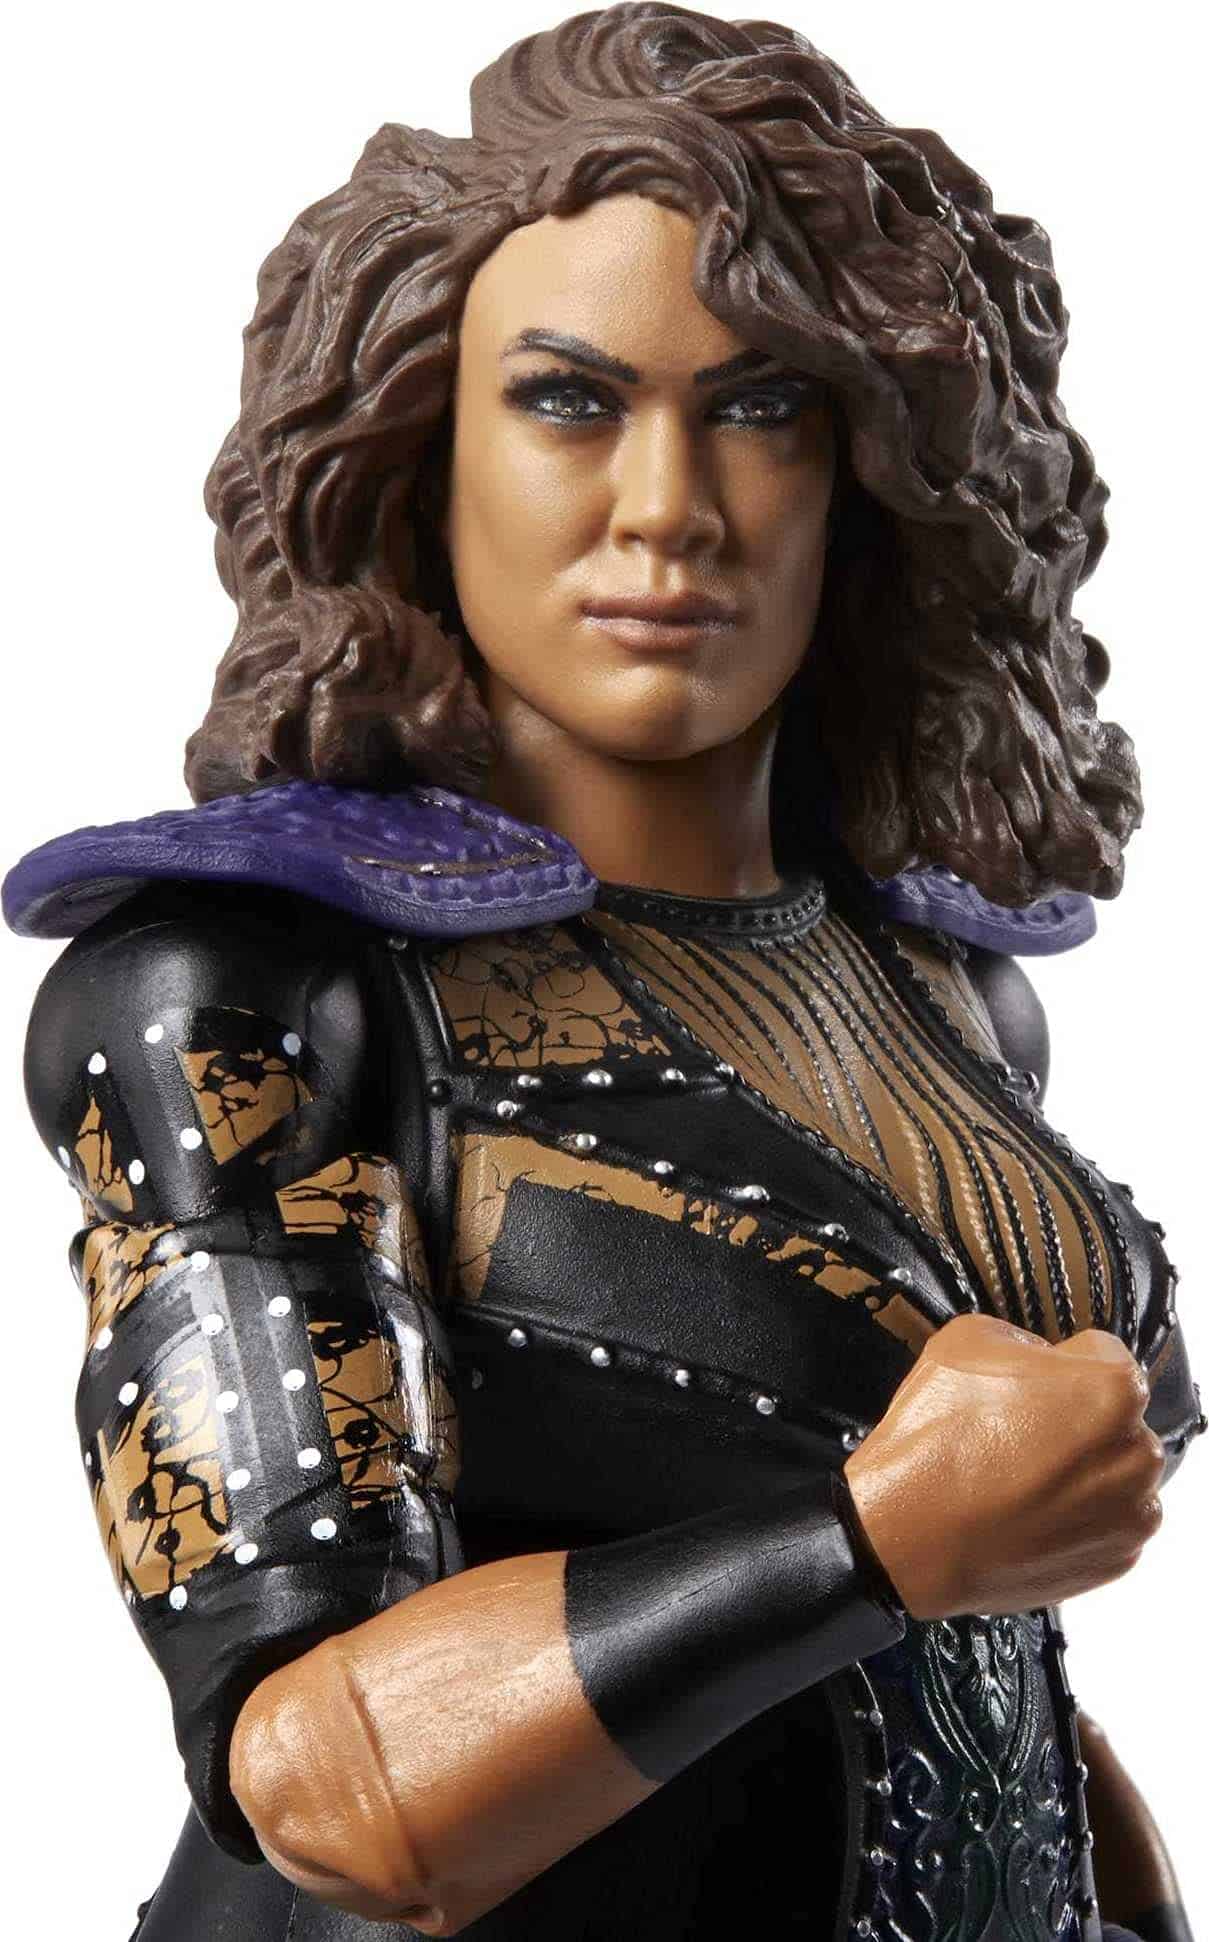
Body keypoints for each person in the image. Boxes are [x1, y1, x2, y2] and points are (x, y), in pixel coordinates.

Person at [3, 6, 1199, 1937]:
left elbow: (966, 1653)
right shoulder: (251, 996)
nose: (668, 508)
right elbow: (320, 1779)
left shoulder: (937, 991)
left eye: (761, 407)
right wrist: (870, 1538)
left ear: (872, 471)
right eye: (569, 401)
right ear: (416, 451)